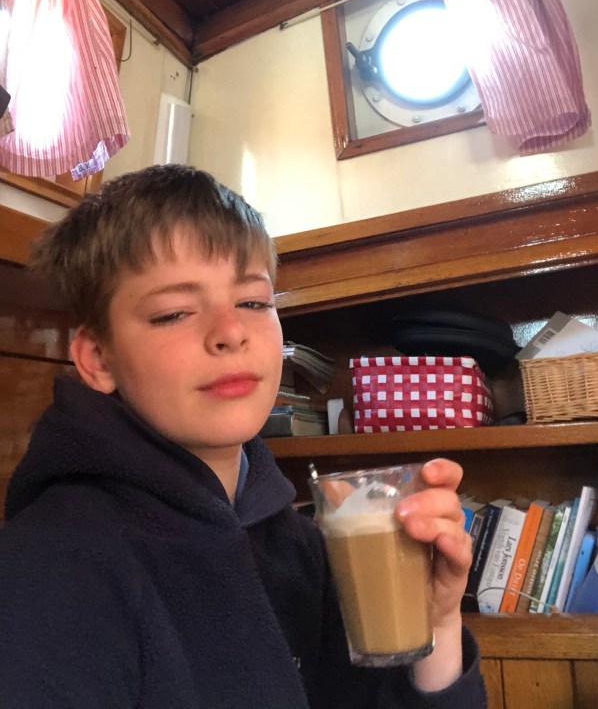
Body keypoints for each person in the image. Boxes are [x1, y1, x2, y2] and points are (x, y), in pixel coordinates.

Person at [0, 164, 487, 708]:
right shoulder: (47, 570)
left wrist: (434, 623)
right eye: (173, 313)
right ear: (97, 358)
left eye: (253, 302)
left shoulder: (304, 549)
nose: (230, 332)